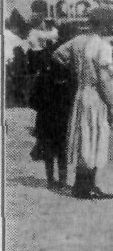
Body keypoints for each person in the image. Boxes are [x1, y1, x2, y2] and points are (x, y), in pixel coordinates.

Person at [52, 8, 113, 200]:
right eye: (111, 24)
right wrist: (112, 104)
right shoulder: (103, 46)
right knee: (95, 138)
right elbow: (103, 80)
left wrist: (74, 72)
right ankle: (86, 186)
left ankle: (83, 185)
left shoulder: (78, 41)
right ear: (104, 25)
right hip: (96, 97)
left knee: (84, 138)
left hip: (81, 93)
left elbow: (57, 55)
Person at [28, 54, 75, 189]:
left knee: (50, 150)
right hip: (60, 119)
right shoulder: (69, 78)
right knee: (61, 150)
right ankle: (62, 181)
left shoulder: (42, 77)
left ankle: (51, 180)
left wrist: (44, 107)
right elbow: (71, 100)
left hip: (46, 119)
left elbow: (32, 101)